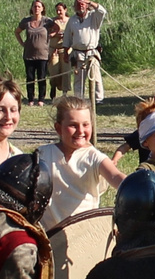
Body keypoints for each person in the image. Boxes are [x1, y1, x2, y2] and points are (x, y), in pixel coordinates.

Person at [37, 95, 126, 229]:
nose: (80, 131)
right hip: (50, 236)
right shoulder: (43, 154)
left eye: (85, 125)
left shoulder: (94, 157)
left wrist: (137, 185)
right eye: (73, 125)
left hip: (84, 235)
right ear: (58, 128)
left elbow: (115, 176)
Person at [64, 0, 108, 102]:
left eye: (83, 4)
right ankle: (79, 99)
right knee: (79, 80)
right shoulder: (72, 20)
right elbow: (67, 37)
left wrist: (90, 2)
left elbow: (102, 11)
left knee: (96, 77)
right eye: (78, 4)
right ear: (74, 7)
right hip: (78, 54)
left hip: (92, 53)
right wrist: (66, 53)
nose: (80, 6)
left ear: (87, 5)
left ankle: (98, 99)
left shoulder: (94, 16)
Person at [18, 0, 55, 104]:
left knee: (41, 77)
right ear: (32, 8)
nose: (36, 8)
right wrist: (22, 43)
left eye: (39, 6)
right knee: (30, 77)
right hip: (29, 55)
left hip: (43, 55)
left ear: (42, 8)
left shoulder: (47, 21)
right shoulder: (26, 21)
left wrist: (52, 35)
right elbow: (17, 32)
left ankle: (41, 99)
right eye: (35, 6)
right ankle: (30, 99)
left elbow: (57, 28)